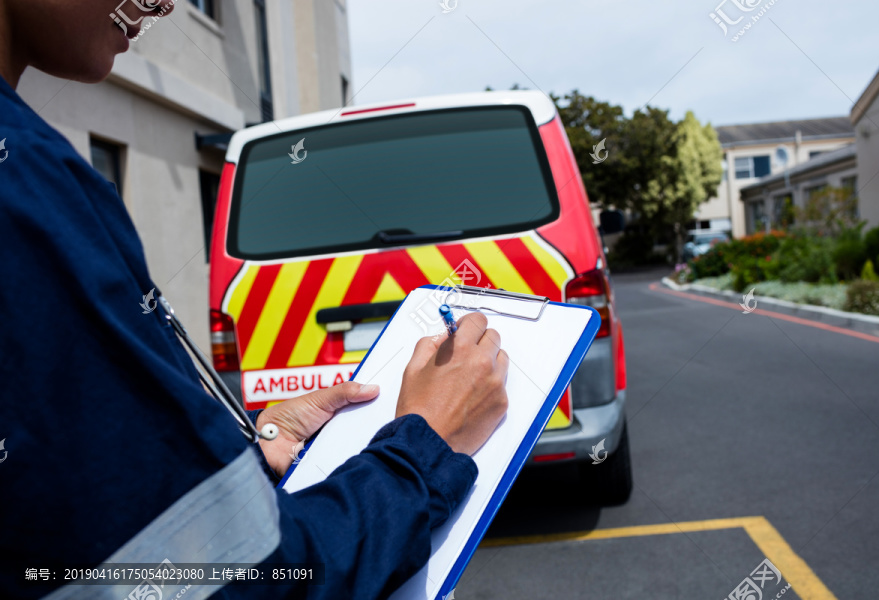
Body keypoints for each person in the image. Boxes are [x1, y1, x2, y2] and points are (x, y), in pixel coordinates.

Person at [0, 1, 509, 598]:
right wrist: (427, 448)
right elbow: (246, 582)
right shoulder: (25, 190)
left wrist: (254, 445)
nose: (166, 3)